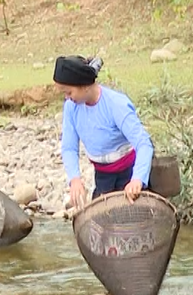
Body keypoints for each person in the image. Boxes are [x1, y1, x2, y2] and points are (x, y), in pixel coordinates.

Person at [55, 55, 154, 207]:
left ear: (85, 85)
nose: (67, 98)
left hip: (130, 171)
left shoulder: (116, 104)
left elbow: (143, 144)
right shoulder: (71, 107)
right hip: (103, 176)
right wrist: (74, 179)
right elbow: (69, 147)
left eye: (69, 92)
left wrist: (137, 179)